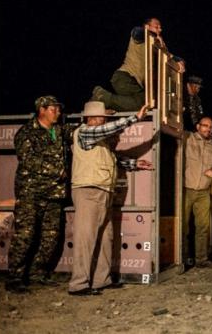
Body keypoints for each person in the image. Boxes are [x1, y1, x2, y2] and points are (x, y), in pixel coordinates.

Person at [69, 102, 153, 296]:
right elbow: (109, 129)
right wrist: (135, 118)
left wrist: (134, 163)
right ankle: (79, 284)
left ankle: (101, 280)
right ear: (89, 119)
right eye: (100, 118)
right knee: (86, 238)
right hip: (88, 191)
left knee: (106, 237)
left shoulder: (101, 142)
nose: (103, 121)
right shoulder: (84, 133)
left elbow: (113, 159)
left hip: (103, 191)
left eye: (104, 118)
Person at [5, 96, 76, 294]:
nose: (58, 112)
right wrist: (57, 171)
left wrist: (97, 118)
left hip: (54, 195)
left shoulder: (60, 131)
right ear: (42, 110)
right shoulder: (26, 133)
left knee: (50, 238)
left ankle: (37, 274)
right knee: (25, 236)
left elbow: (80, 132)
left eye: (59, 109)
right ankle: (14, 278)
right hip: (31, 194)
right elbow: (29, 160)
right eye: (54, 109)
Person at [92, 17, 185, 111]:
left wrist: (180, 62)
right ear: (147, 27)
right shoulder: (140, 38)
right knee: (144, 102)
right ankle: (103, 96)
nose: (160, 30)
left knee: (147, 102)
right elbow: (136, 32)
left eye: (160, 28)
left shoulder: (156, 44)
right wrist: (152, 35)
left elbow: (170, 56)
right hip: (124, 77)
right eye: (156, 27)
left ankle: (107, 103)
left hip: (135, 82)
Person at [183, 116, 212, 268]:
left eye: (210, 127)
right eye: (205, 126)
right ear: (198, 126)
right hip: (186, 190)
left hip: (203, 193)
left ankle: (201, 259)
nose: (208, 129)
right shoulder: (187, 138)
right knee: (183, 226)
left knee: (202, 227)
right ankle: (183, 259)